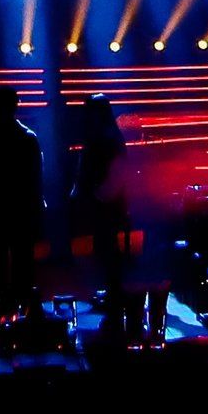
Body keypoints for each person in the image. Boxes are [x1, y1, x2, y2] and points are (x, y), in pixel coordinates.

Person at [0, 85, 42, 322]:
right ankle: (23, 306)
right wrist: (37, 204)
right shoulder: (28, 138)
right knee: (22, 258)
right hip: (21, 207)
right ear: (16, 105)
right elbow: (35, 176)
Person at [66, 93, 132, 330]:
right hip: (104, 202)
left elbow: (117, 170)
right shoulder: (105, 135)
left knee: (107, 249)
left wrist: (102, 194)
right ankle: (113, 293)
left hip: (106, 203)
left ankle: (114, 295)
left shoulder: (106, 137)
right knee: (105, 248)